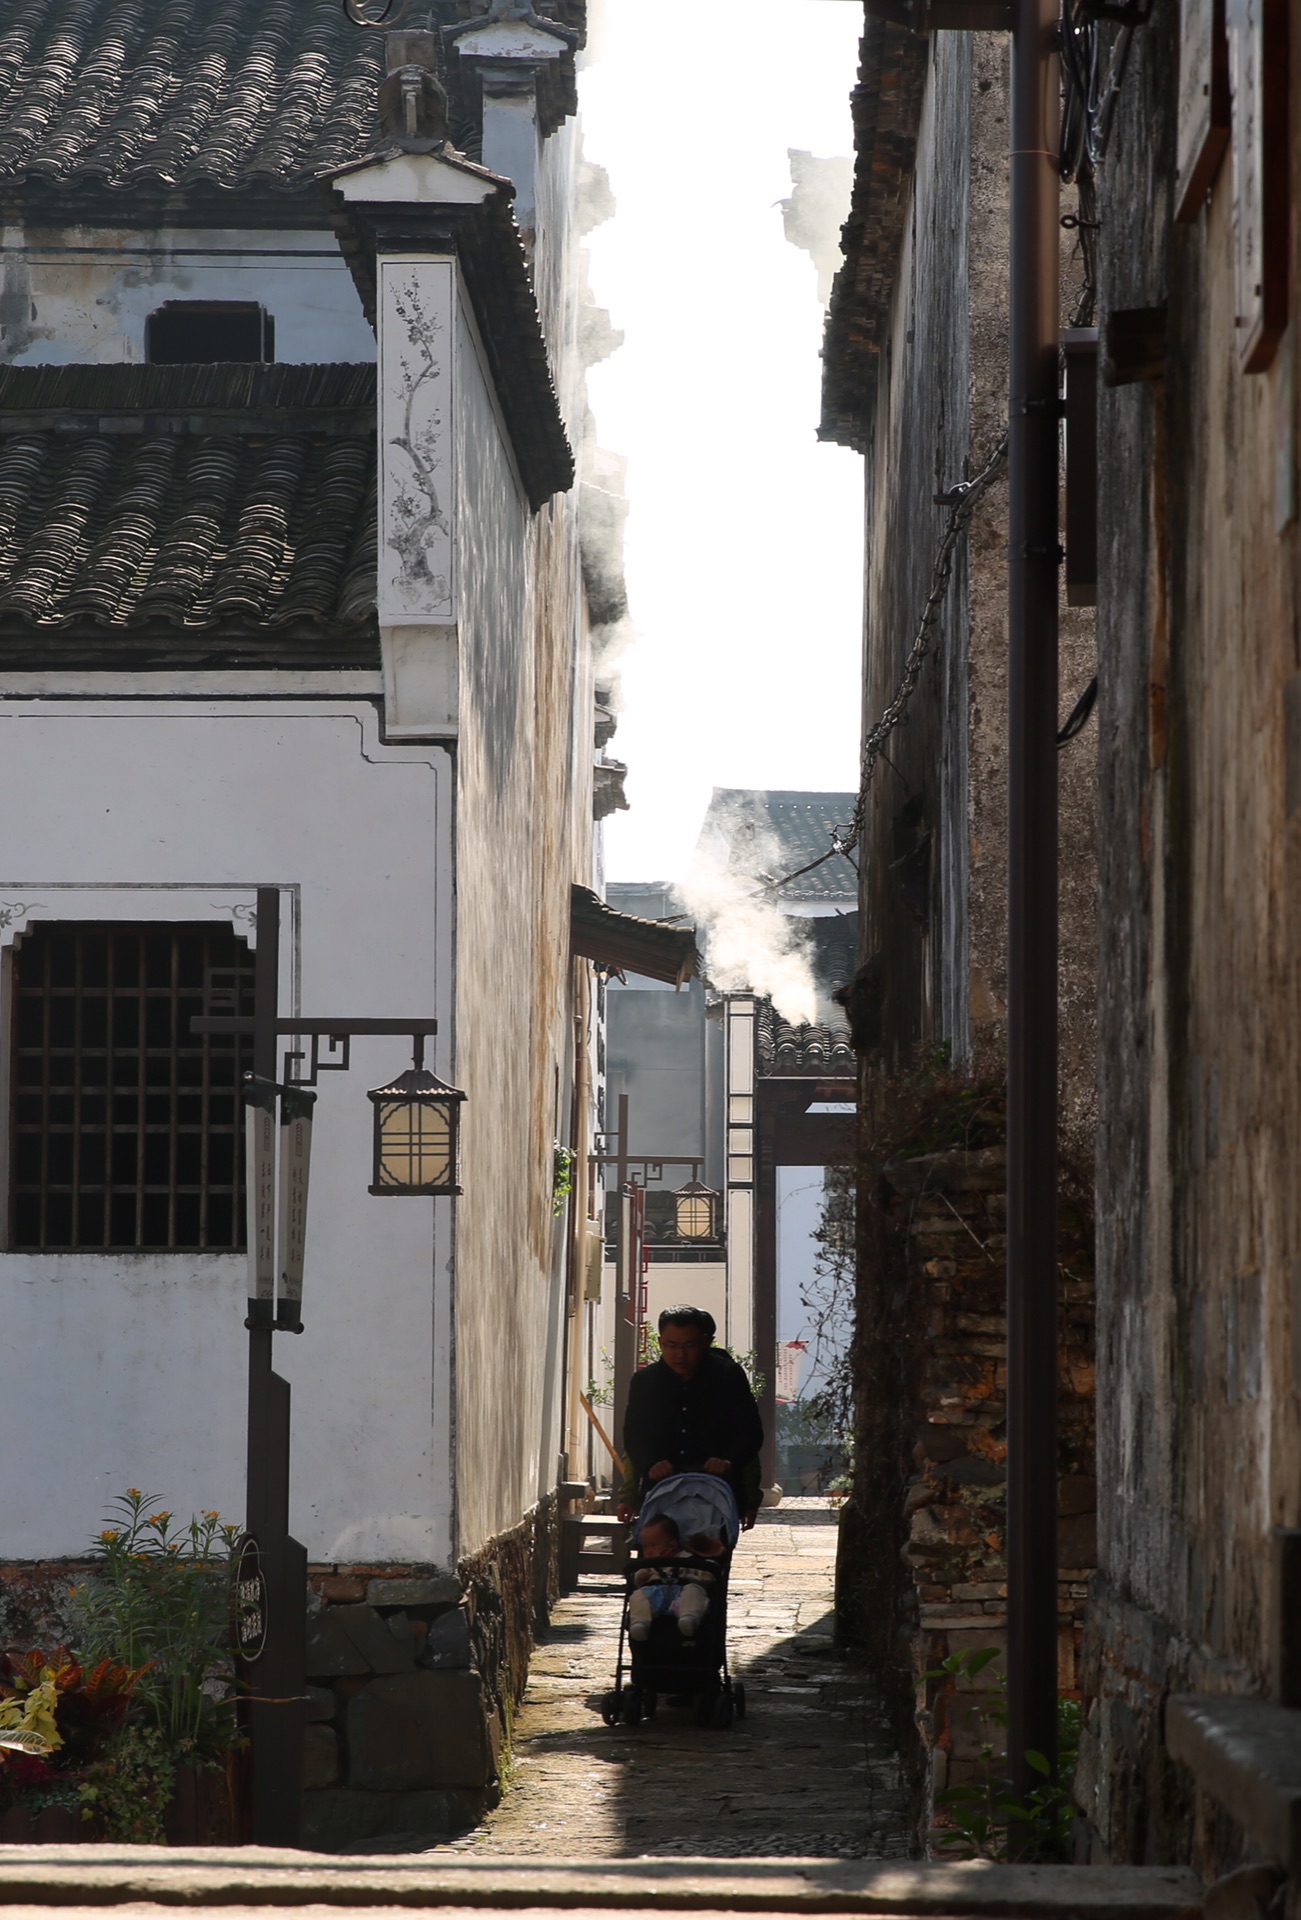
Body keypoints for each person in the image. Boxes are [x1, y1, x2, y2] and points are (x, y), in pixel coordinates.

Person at [617, 1305, 763, 1529]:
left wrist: (728, 1462)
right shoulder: (646, 1381)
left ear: (705, 1342)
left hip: (716, 1494)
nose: (680, 1355)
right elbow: (634, 1436)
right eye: (671, 1346)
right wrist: (649, 1467)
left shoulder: (727, 1376)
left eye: (689, 1345)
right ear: (660, 1344)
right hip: (659, 1493)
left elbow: (749, 1433)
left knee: (710, 1559)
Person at [627, 1513, 724, 1640]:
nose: (648, 1551)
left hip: (681, 1599)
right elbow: (638, 1580)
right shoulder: (649, 1566)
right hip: (655, 1598)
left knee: (694, 1591)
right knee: (638, 1596)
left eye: (653, 1545)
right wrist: (640, 1577)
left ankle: (689, 1618)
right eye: (645, 1547)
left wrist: (705, 1570)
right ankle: (640, 1623)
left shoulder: (687, 1559)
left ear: (672, 1544)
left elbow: (707, 1576)